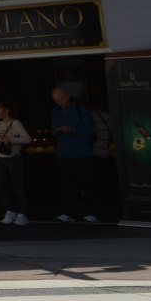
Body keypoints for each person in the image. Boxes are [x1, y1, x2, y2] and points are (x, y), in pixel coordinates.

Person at [49, 86, 101, 223]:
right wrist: (58, 130)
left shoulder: (80, 109)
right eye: (57, 101)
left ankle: (95, 212)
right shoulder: (56, 111)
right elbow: (53, 131)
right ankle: (66, 212)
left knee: (88, 185)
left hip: (82, 153)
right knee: (65, 186)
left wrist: (72, 129)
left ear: (67, 97)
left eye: (61, 100)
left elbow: (91, 129)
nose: (60, 103)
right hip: (64, 154)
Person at [0, 101, 32, 225]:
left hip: (14, 158)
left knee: (16, 186)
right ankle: (10, 210)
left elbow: (27, 139)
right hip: (2, 158)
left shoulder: (15, 123)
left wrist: (10, 139)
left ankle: (22, 214)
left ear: (7, 110)